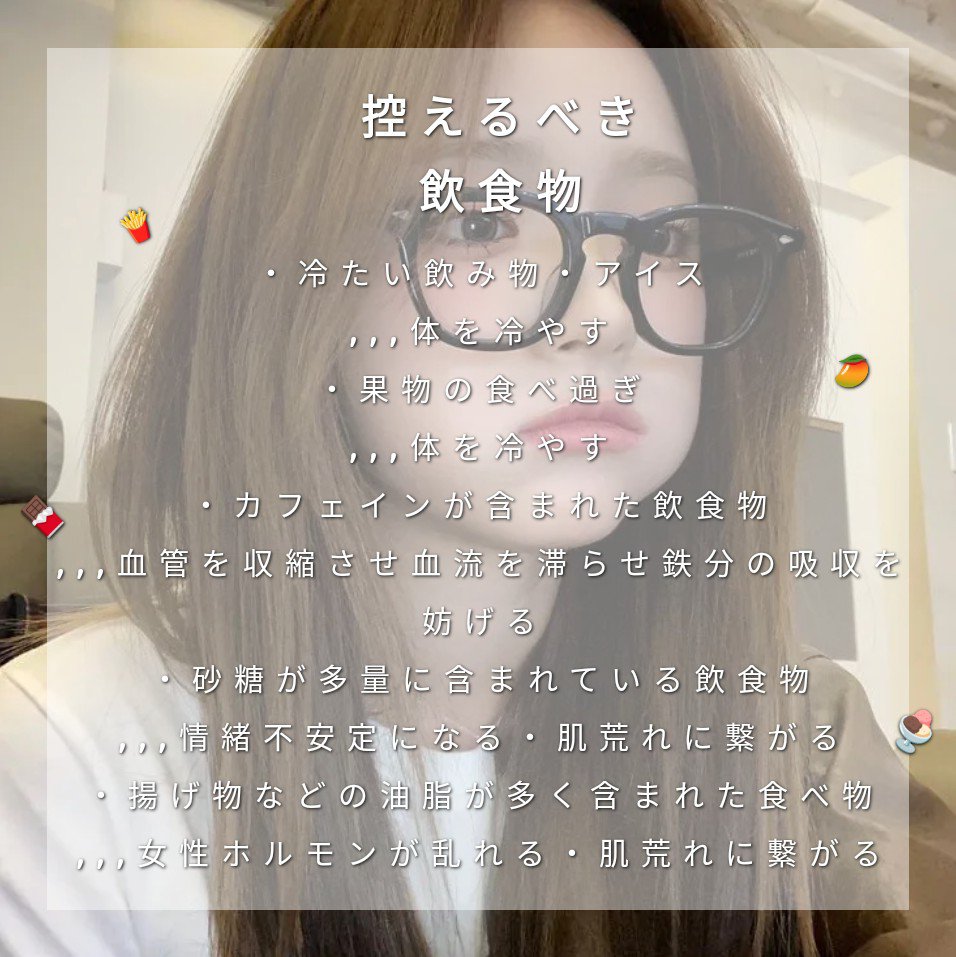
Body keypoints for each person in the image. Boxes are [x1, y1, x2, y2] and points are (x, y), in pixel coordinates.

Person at [2, 1, 954, 955]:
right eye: (482, 219)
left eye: (664, 239)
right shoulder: (73, 758)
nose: (603, 316)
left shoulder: (783, 725)